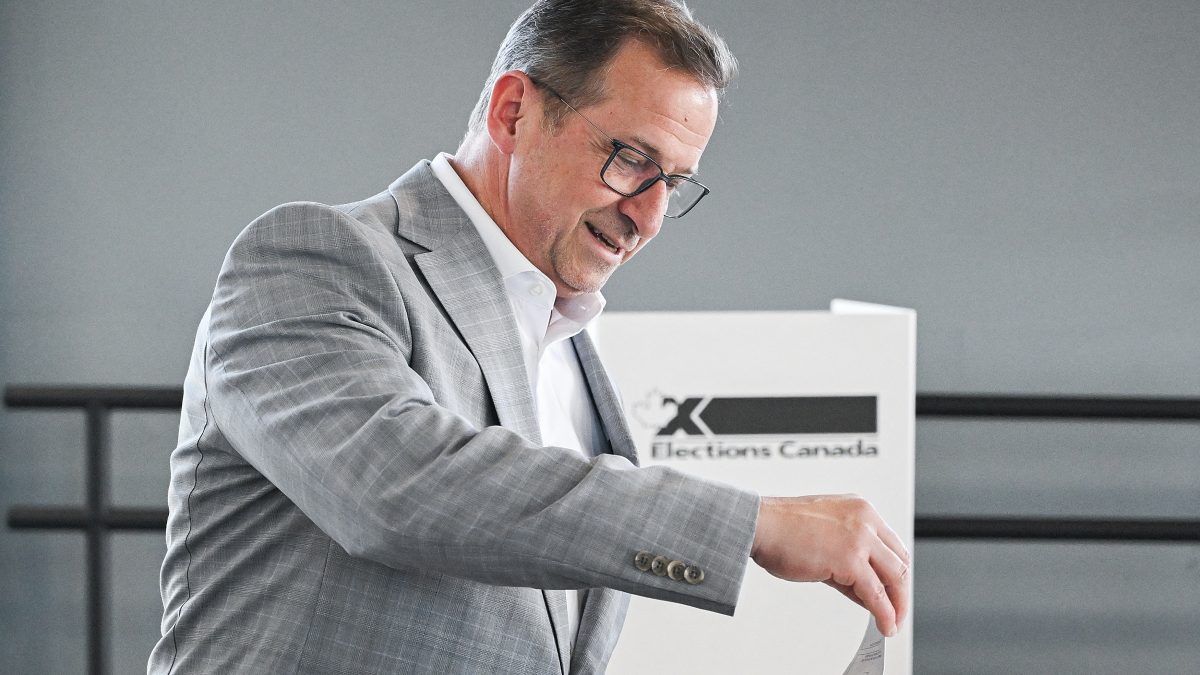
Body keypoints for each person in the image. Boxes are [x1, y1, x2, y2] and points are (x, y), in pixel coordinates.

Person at [149, 1, 910, 673]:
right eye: (631, 159)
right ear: (513, 110)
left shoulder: (569, 338)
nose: (646, 216)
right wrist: (750, 524)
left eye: (672, 184)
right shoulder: (314, 257)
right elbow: (399, 489)